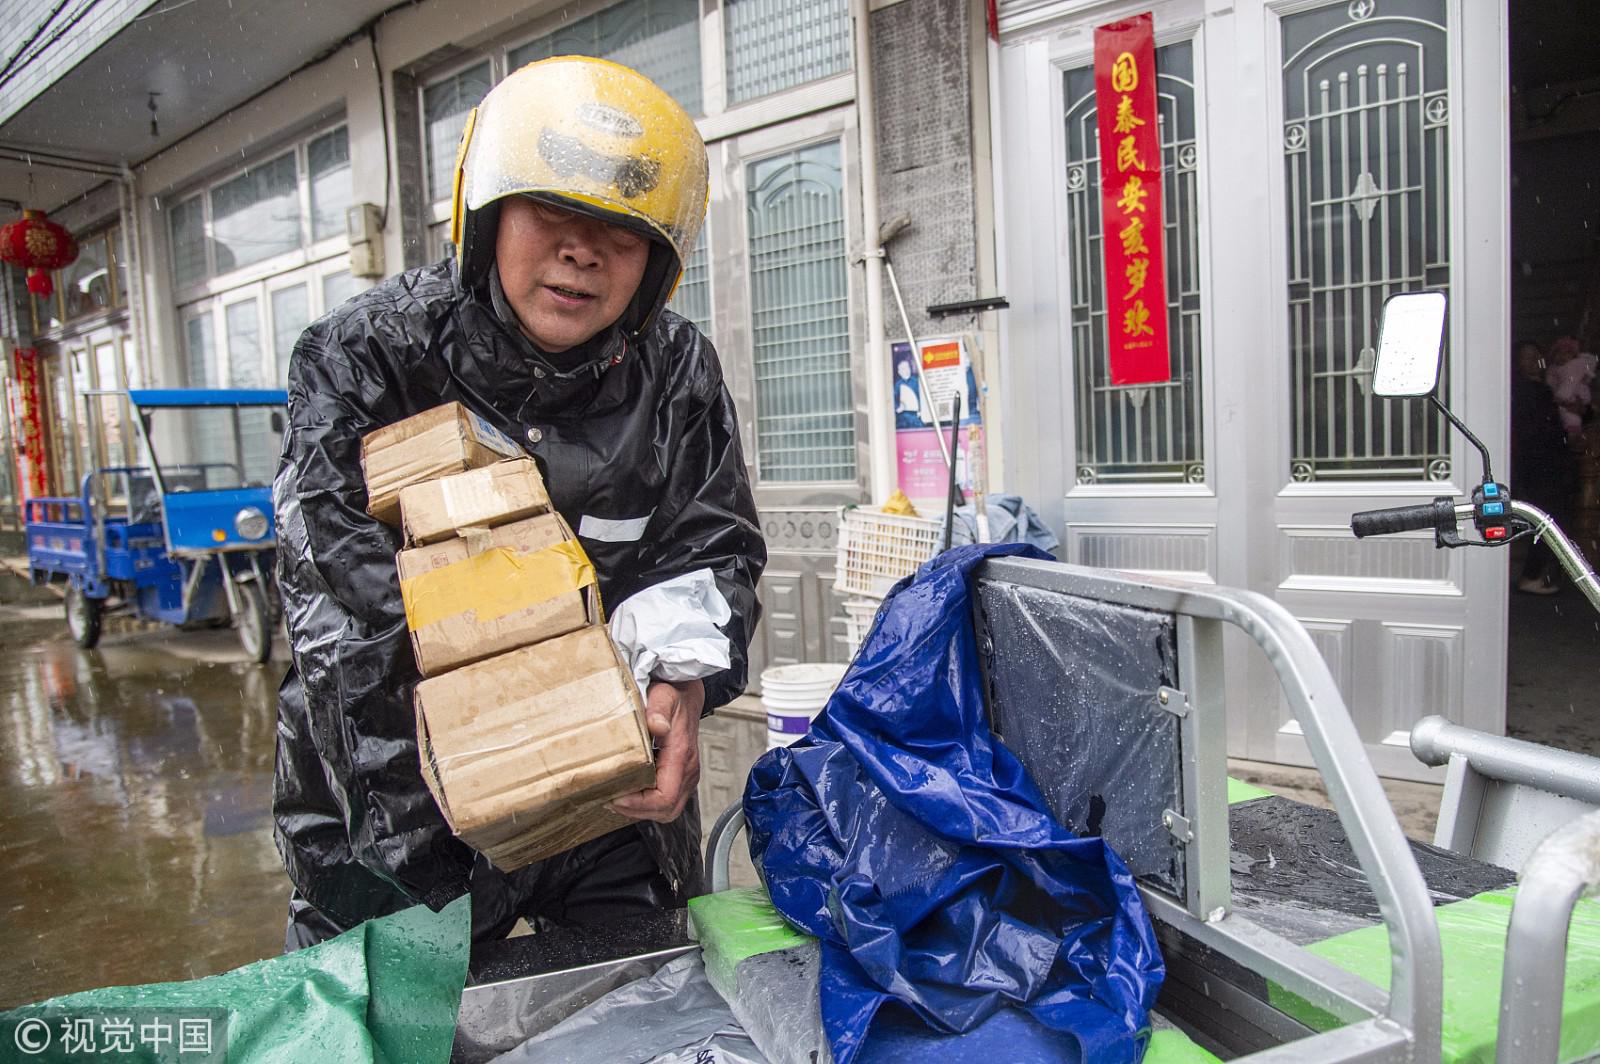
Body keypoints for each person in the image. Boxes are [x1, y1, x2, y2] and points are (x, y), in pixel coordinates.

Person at [272, 57, 765, 948]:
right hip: (403, 807)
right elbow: (346, 606)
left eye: (620, 231)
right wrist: (466, 778)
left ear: (659, 261)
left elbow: (710, 552)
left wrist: (680, 691)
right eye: (553, 213)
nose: (582, 251)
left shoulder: (677, 370)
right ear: (488, 217)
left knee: (644, 1012)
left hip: (611, 796)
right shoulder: (366, 357)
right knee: (406, 1032)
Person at [1511, 339, 1575, 595]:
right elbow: (1540, 429)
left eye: (1535, 356)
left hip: (1547, 462)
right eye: (1525, 357)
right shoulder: (1526, 390)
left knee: (1548, 517)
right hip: (1537, 462)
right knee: (1545, 518)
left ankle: (1537, 573)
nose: (1532, 362)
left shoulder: (1547, 387)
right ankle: (1531, 575)